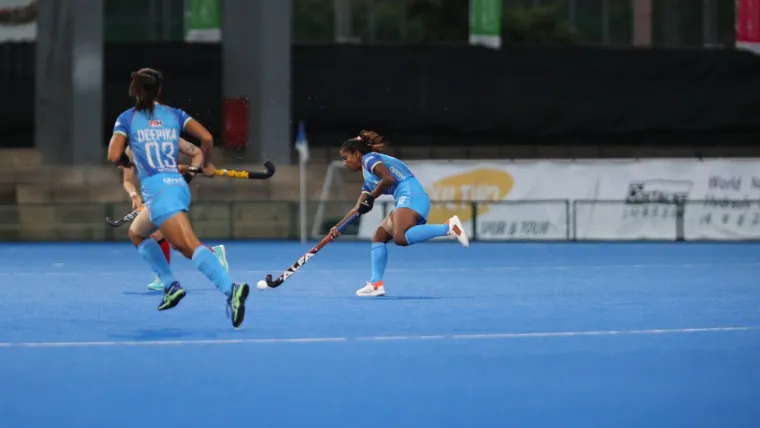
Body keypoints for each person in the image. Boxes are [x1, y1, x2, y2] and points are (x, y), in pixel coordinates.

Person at [107, 67, 249, 328]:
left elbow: (114, 155)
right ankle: (170, 284)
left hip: (158, 191)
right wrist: (206, 164)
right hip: (174, 186)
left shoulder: (126, 119)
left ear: (134, 91)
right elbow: (206, 138)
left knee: (188, 246)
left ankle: (232, 289)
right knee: (137, 233)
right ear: (159, 90)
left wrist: (131, 160)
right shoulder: (175, 114)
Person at [330, 130, 469, 297]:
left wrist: (372, 197)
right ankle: (376, 284)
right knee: (379, 237)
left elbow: (389, 179)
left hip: (411, 195)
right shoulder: (368, 178)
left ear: (357, 154)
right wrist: (338, 227)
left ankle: (448, 227)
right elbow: (358, 207)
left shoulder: (369, 159)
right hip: (406, 199)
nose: (344, 162)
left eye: (346, 157)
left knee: (400, 238)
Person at [121, 144, 229, 291]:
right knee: (168, 239)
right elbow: (127, 180)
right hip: (154, 195)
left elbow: (196, 153)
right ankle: (211, 255)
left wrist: (190, 172)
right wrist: (133, 194)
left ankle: (167, 277)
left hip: (170, 193)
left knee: (168, 238)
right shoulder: (130, 150)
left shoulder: (165, 134)